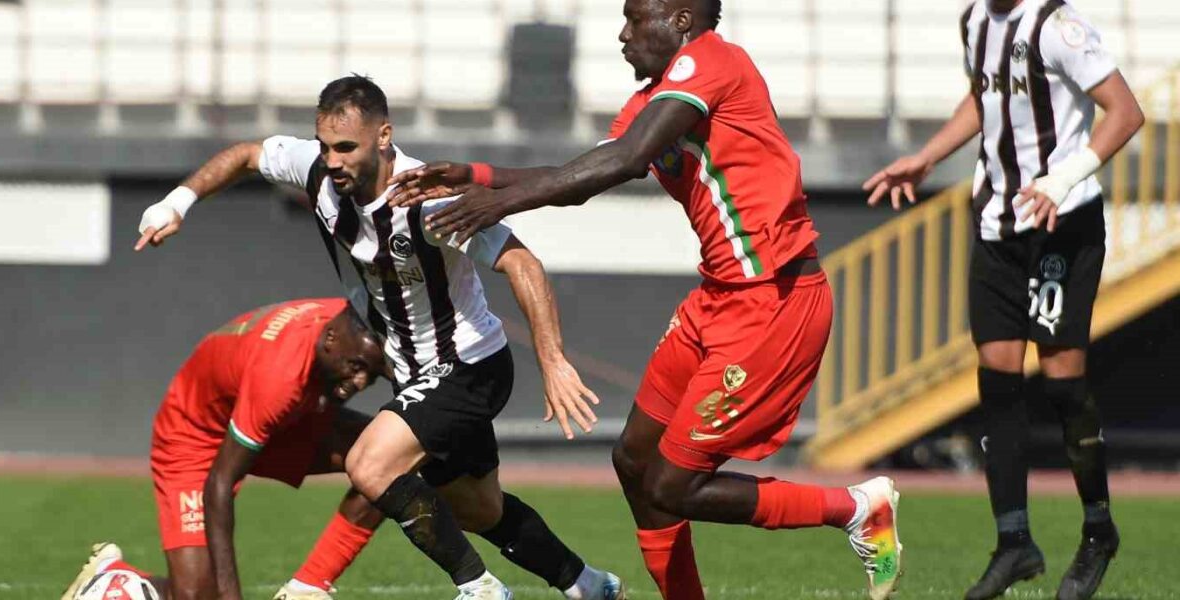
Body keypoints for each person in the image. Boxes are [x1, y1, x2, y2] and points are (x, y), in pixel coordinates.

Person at [385, 1, 904, 598]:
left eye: (636, 18)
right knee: (634, 461)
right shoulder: (654, 103)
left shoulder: (712, 62)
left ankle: (855, 508)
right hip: (718, 298)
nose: (623, 33)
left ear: (680, 20)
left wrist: (499, 202)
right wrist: (476, 176)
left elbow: (625, 159)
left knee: (672, 486)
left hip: (774, 303)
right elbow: (584, 174)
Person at [135, 75, 626, 600]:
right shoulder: (319, 171)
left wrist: (553, 362)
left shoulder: (427, 198)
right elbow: (247, 155)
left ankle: (479, 588)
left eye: (347, 147)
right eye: (325, 145)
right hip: (415, 373)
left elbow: (522, 263)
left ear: (384, 136)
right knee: (481, 510)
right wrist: (177, 202)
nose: (333, 160)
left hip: (469, 364)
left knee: (369, 463)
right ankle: (589, 585)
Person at [862, 1, 1143, 598]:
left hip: (1061, 225)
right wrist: (928, 156)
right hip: (996, 226)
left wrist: (1060, 180)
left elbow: (1125, 112)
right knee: (997, 383)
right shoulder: (974, 20)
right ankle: (1015, 542)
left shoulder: (1058, 27)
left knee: (1063, 384)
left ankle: (1098, 530)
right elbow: (984, 97)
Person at [61, 299, 390, 600]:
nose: (360, 383)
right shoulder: (278, 375)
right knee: (198, 596)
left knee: (391, 455)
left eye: (371, 374)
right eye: (356, 367)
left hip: (281, 419)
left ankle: (306, 589)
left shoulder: (351, 320)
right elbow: (219, 483)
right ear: (331, 339)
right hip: (195, 436)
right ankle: (112, 579)